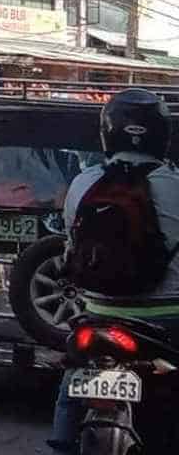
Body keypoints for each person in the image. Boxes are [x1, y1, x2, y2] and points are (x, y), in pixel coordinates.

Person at [48, 89, 179, 452]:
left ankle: (62, 444)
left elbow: (71, 246)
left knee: (72, 382)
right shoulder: (175, 183)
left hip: (100, 315)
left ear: (108, 131)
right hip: (168, 318)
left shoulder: (83, 183)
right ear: (162, 135)